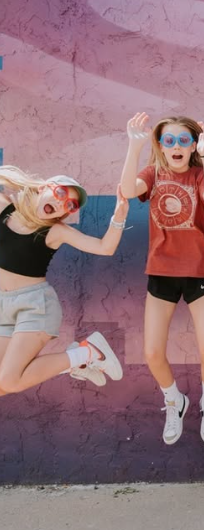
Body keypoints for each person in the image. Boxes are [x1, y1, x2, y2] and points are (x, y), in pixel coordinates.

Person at [119, 112, 204, 445]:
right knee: (152, 352)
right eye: (169, 140)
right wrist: (134, 148)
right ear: (161, 146)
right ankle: (174, 401)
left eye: (183, 140)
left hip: (199, 271)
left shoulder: (198, 173)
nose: (176, 146)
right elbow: (125, 190)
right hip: (161, 271)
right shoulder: (153, 173)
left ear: (193, 145)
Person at [0, 165, 128, 396]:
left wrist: (118, 217)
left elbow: (105, 248)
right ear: (44, 188)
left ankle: (89, 352)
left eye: (70, 205)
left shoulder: (56, 231)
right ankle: (73, 361)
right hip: (3, 306)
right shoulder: (6, 208)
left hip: (35, 306)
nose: (62, 205)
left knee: (9, 381)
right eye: (61, 194)